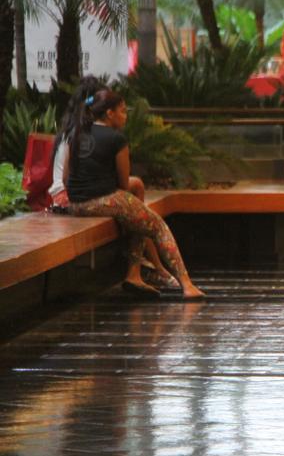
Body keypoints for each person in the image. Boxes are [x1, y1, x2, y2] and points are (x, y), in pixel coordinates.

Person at [64, 89, 205, 300]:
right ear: (109, 113)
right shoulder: (116, 139)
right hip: (104, 200)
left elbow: (66, 177)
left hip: (75, 204)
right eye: (122, 111)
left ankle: (134, 274)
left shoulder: (76, 133)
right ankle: (186, 285)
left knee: (137, 212)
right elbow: (122, 183)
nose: (126, 116)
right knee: (158, 226)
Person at [49, 77, 178, 290]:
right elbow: (66, 180)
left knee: (135, 196)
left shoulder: (81, 131)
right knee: (139, 210)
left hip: (78, 195)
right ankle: (154, 269)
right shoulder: (78, 134)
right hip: (68, 197)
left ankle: (144, 269)